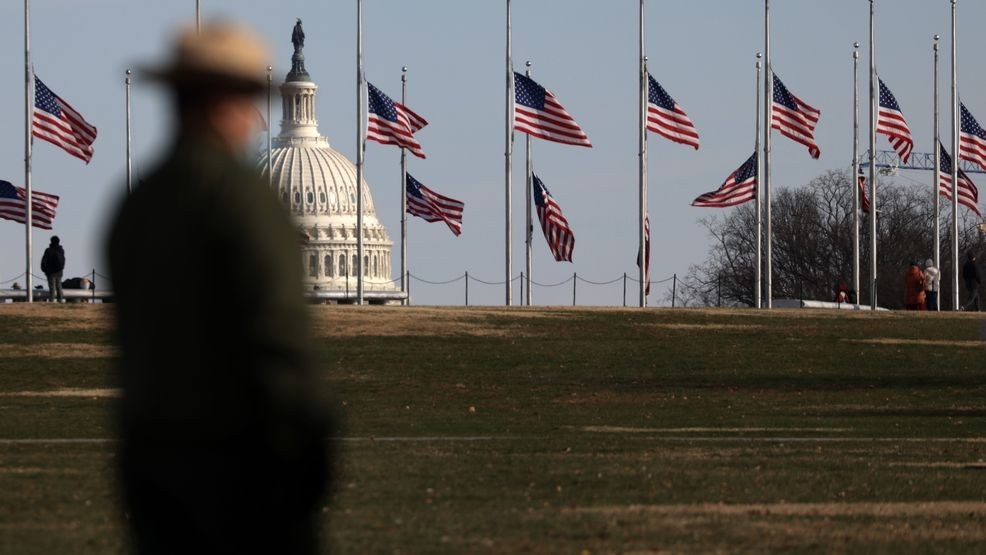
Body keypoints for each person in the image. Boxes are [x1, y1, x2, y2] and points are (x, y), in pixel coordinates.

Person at [107, 23, 329, 554]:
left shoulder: (138, 204)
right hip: (237, 467)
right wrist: (309, 459)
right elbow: (281, 345)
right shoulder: (243, 199)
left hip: (150, 461)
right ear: (227, 102)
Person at [40, 236, 65, 303]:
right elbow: (63, 261)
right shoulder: (61, 250)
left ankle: (52, 301)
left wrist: (45, 270)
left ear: (51, 241)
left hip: (50, 272)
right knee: (59, 286)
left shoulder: (48, 250)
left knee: (52, 287)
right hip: (59, 272)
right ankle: (60, 300)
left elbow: (44, 261)